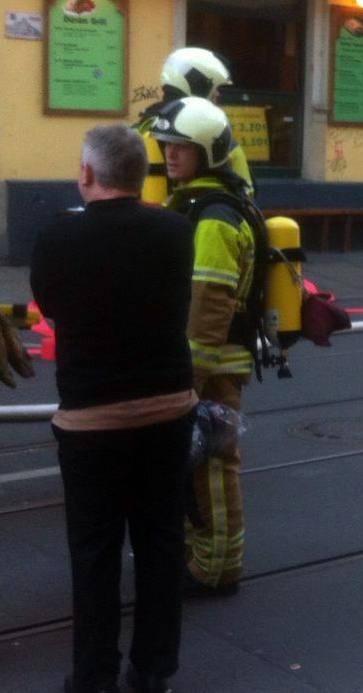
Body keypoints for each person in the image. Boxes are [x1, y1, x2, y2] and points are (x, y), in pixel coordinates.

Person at [30, 125, 197, 693]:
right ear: (142, 174)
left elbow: (50, 308)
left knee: (94, 552)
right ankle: (152, 670)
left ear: (85, 174)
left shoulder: (57, 238)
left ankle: (94, 675)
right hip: (169, 409)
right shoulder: (177, 231)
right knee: (160, 542)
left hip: (90, 419)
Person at [151, 97, 257, 596]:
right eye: (166, 144)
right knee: (197, 470)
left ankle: (217, 569)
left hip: (211, 365)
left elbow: (209, 305)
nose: (170, 154)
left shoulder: (213, 216)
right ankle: (204, 555)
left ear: (208, 151)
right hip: (204, 362)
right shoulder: (200, 203)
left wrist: (187, 380)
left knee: (213, 468)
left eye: (182, 147)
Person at [135, 47, 252, 205]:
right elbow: (246, 196)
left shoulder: (136, 133)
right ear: (199, 85)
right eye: (215, 88)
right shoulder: (218, 141)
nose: (217, 95)